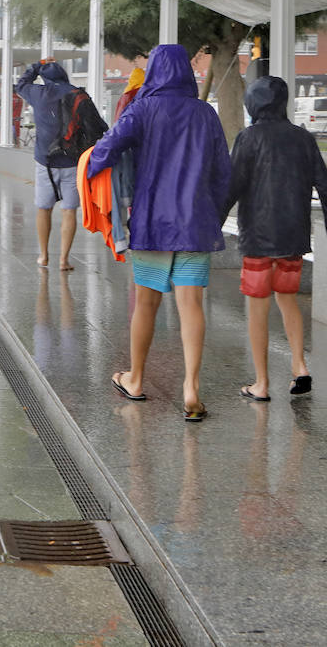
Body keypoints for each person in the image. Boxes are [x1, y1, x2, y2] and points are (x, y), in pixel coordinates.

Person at [86, 45, 232, 422]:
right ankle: (191, 388)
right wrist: (211, 214)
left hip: (153, 224)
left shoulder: (142, 110)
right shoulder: (205, 114)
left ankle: (135, 379)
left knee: (146, 304)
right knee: (192, 307)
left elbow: (108, 147)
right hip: (195, 225)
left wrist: (89, 170)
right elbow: (222, 174)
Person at [222, 76, 327, 402]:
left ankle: (261, 384)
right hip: (293, 237)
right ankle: (300, 365)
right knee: (287, 299)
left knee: (258, 307)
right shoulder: (303, 138)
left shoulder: (248, 138)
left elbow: (231, 188)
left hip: (258, 241)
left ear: (252, 103)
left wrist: (210, 228)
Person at [16, 59, 80, 271]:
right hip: (72, 161)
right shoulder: (77, 93)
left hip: (46, 162)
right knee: (69, 211)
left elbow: (21, 85)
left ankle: (43, 256)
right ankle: (64, 260)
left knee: (44, 209)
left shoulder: (39, 94)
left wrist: (36, 65)